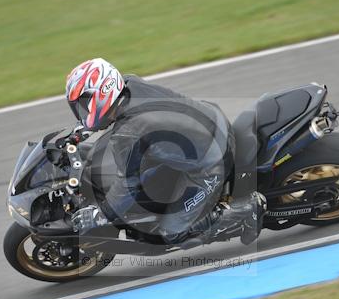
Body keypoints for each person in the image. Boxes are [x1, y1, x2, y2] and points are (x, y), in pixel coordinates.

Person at [66, 58, 266, 246]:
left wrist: (99, 215)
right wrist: (84, 128)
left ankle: (248, 208)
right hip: (211, 120)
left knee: (172, 232)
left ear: (101, 95)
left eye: (84, 105)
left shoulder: (129, 132)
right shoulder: (130, 84)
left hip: (213, 163)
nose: (82, 111)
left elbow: (128, 185)